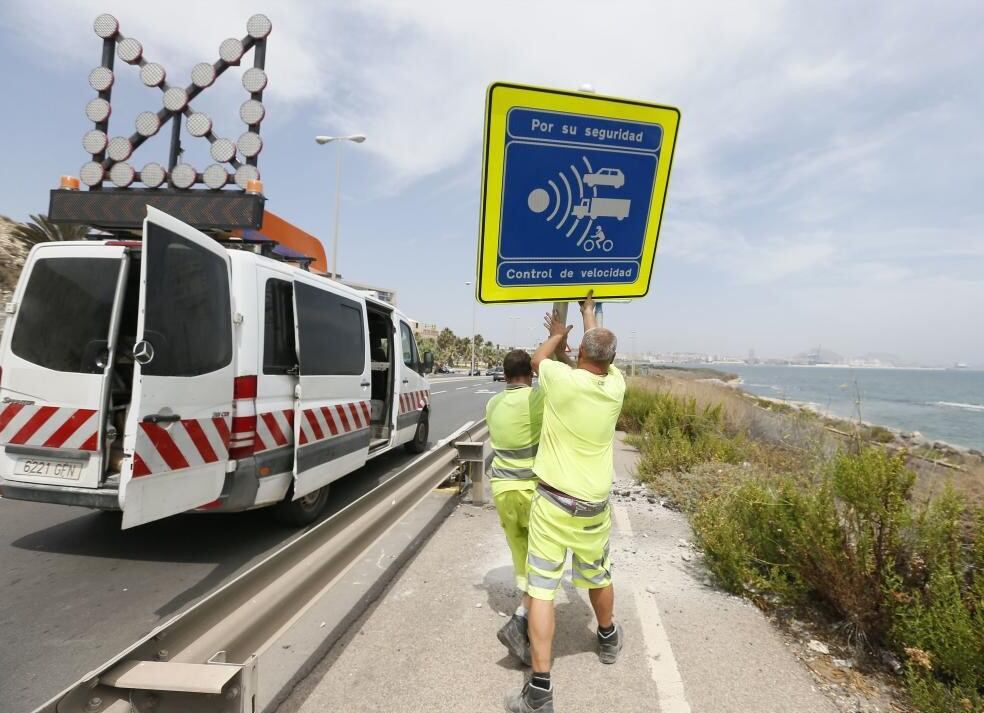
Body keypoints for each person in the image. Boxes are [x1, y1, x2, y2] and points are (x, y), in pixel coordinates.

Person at [505, 291, 626, 713]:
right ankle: (608, 639)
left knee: (541, 589)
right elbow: (597, 350)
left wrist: (557, 333)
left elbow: (537, 362)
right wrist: (589, 313)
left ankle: (540, 690)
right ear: (610, 362)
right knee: (598, 573)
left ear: (579, 353)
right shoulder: (616, 387)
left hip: (553, 504)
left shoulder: (560, 379)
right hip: (594, 507)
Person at [486, 349, 545, 665]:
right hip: (533, 493)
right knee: (543, 559)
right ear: (531, 375)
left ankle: (523, 616)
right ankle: (522, 620)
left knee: (520, 553)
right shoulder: (537, 400)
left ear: (505, 376)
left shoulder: (492, 403)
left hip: (502, 491)